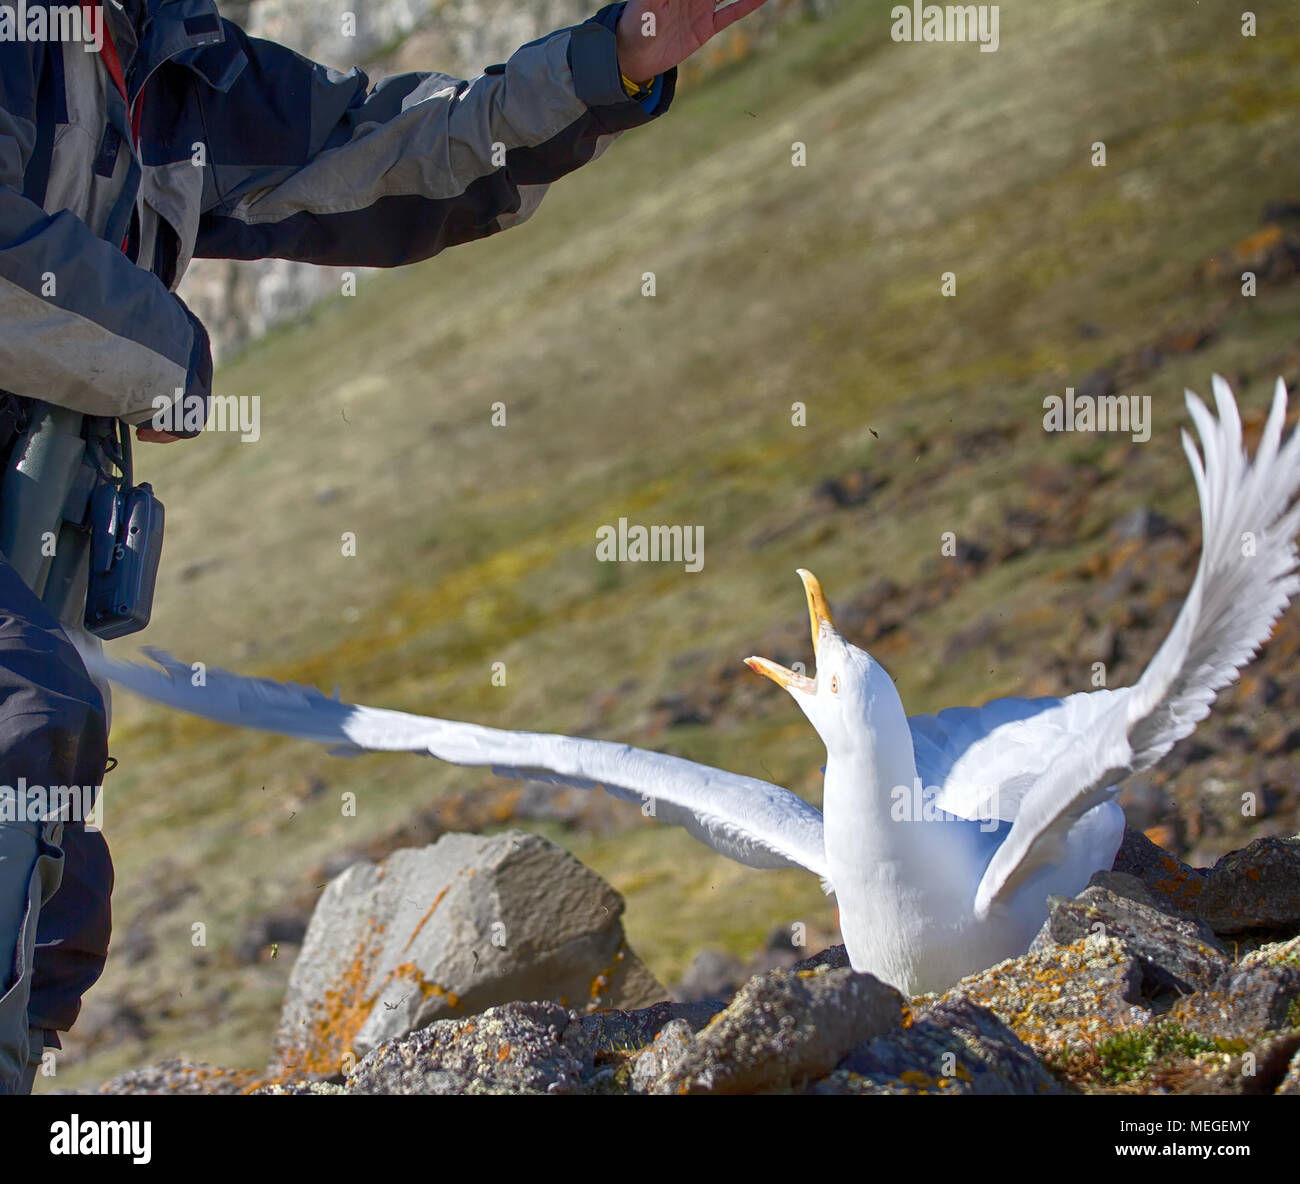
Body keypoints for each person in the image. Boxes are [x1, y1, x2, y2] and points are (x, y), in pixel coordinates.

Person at [0, 0, 771, 1095]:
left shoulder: (180, 69)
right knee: (21, 718)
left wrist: (614, 58)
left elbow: (385, 150)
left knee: (52, 871)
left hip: (41, 532)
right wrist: (162, 353)